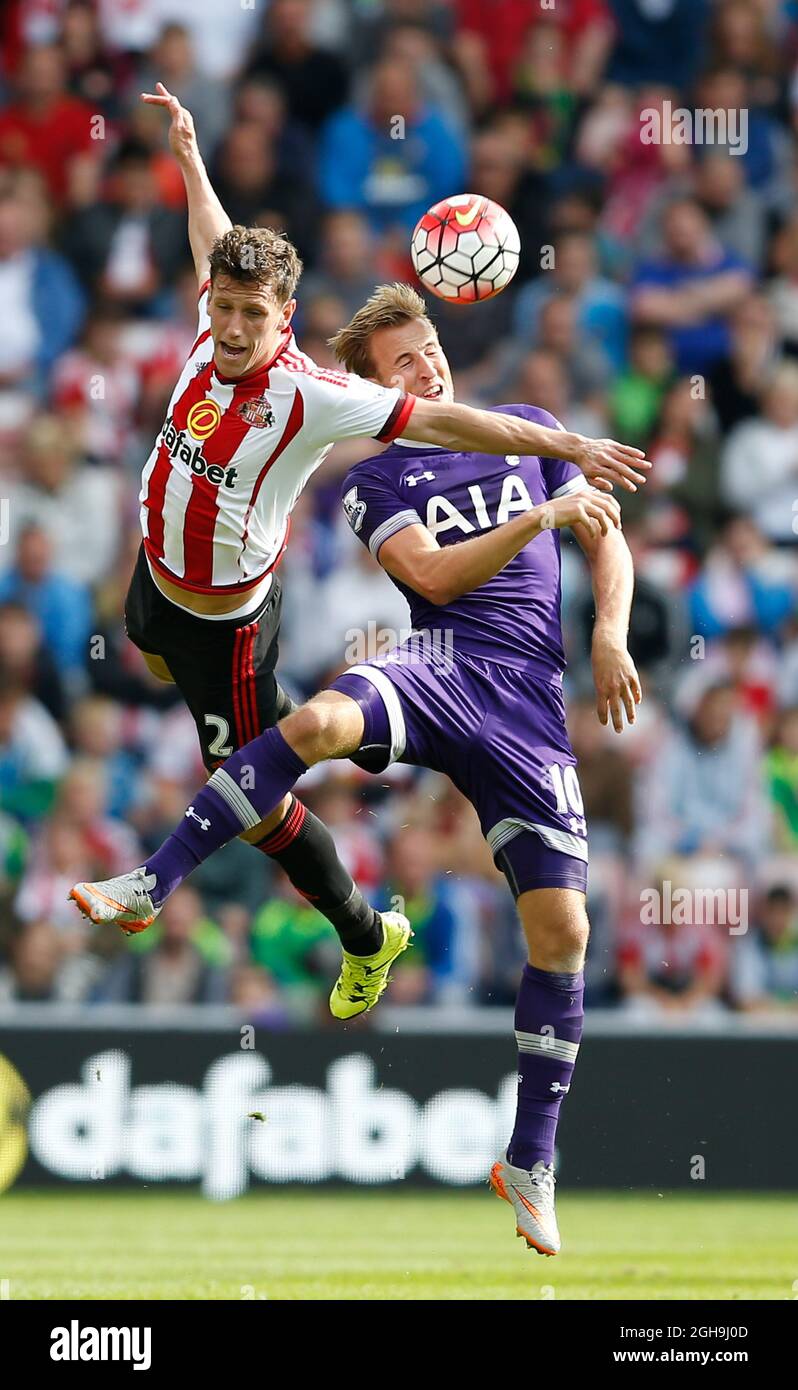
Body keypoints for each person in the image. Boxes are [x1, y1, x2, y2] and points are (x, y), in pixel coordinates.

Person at [71, 282, 643, 1257]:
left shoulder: (531, 428)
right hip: (436, 667)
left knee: (565, 927)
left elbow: (606, 530)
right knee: (326, 718)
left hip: (529, 706)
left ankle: (531, 1160)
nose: (429, 369)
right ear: (380, 392)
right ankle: (152, 880)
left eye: (429, 351)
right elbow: (433, 579)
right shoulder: (375, 483)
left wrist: (609, 634)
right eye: (404, 366)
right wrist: (539, 519)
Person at [70, 84, 648, 997]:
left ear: (284, 320)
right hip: (155, 587)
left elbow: (459, 428)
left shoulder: (314, 396)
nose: (228, 328)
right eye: (220, 306)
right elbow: (211, 241)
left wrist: (567, 445)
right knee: (181, 702)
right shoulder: (211, 322)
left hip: (227, 625)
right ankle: (327, 898)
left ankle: (338, 925)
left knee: (260, 808)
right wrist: (188, 156)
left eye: (250, 316)